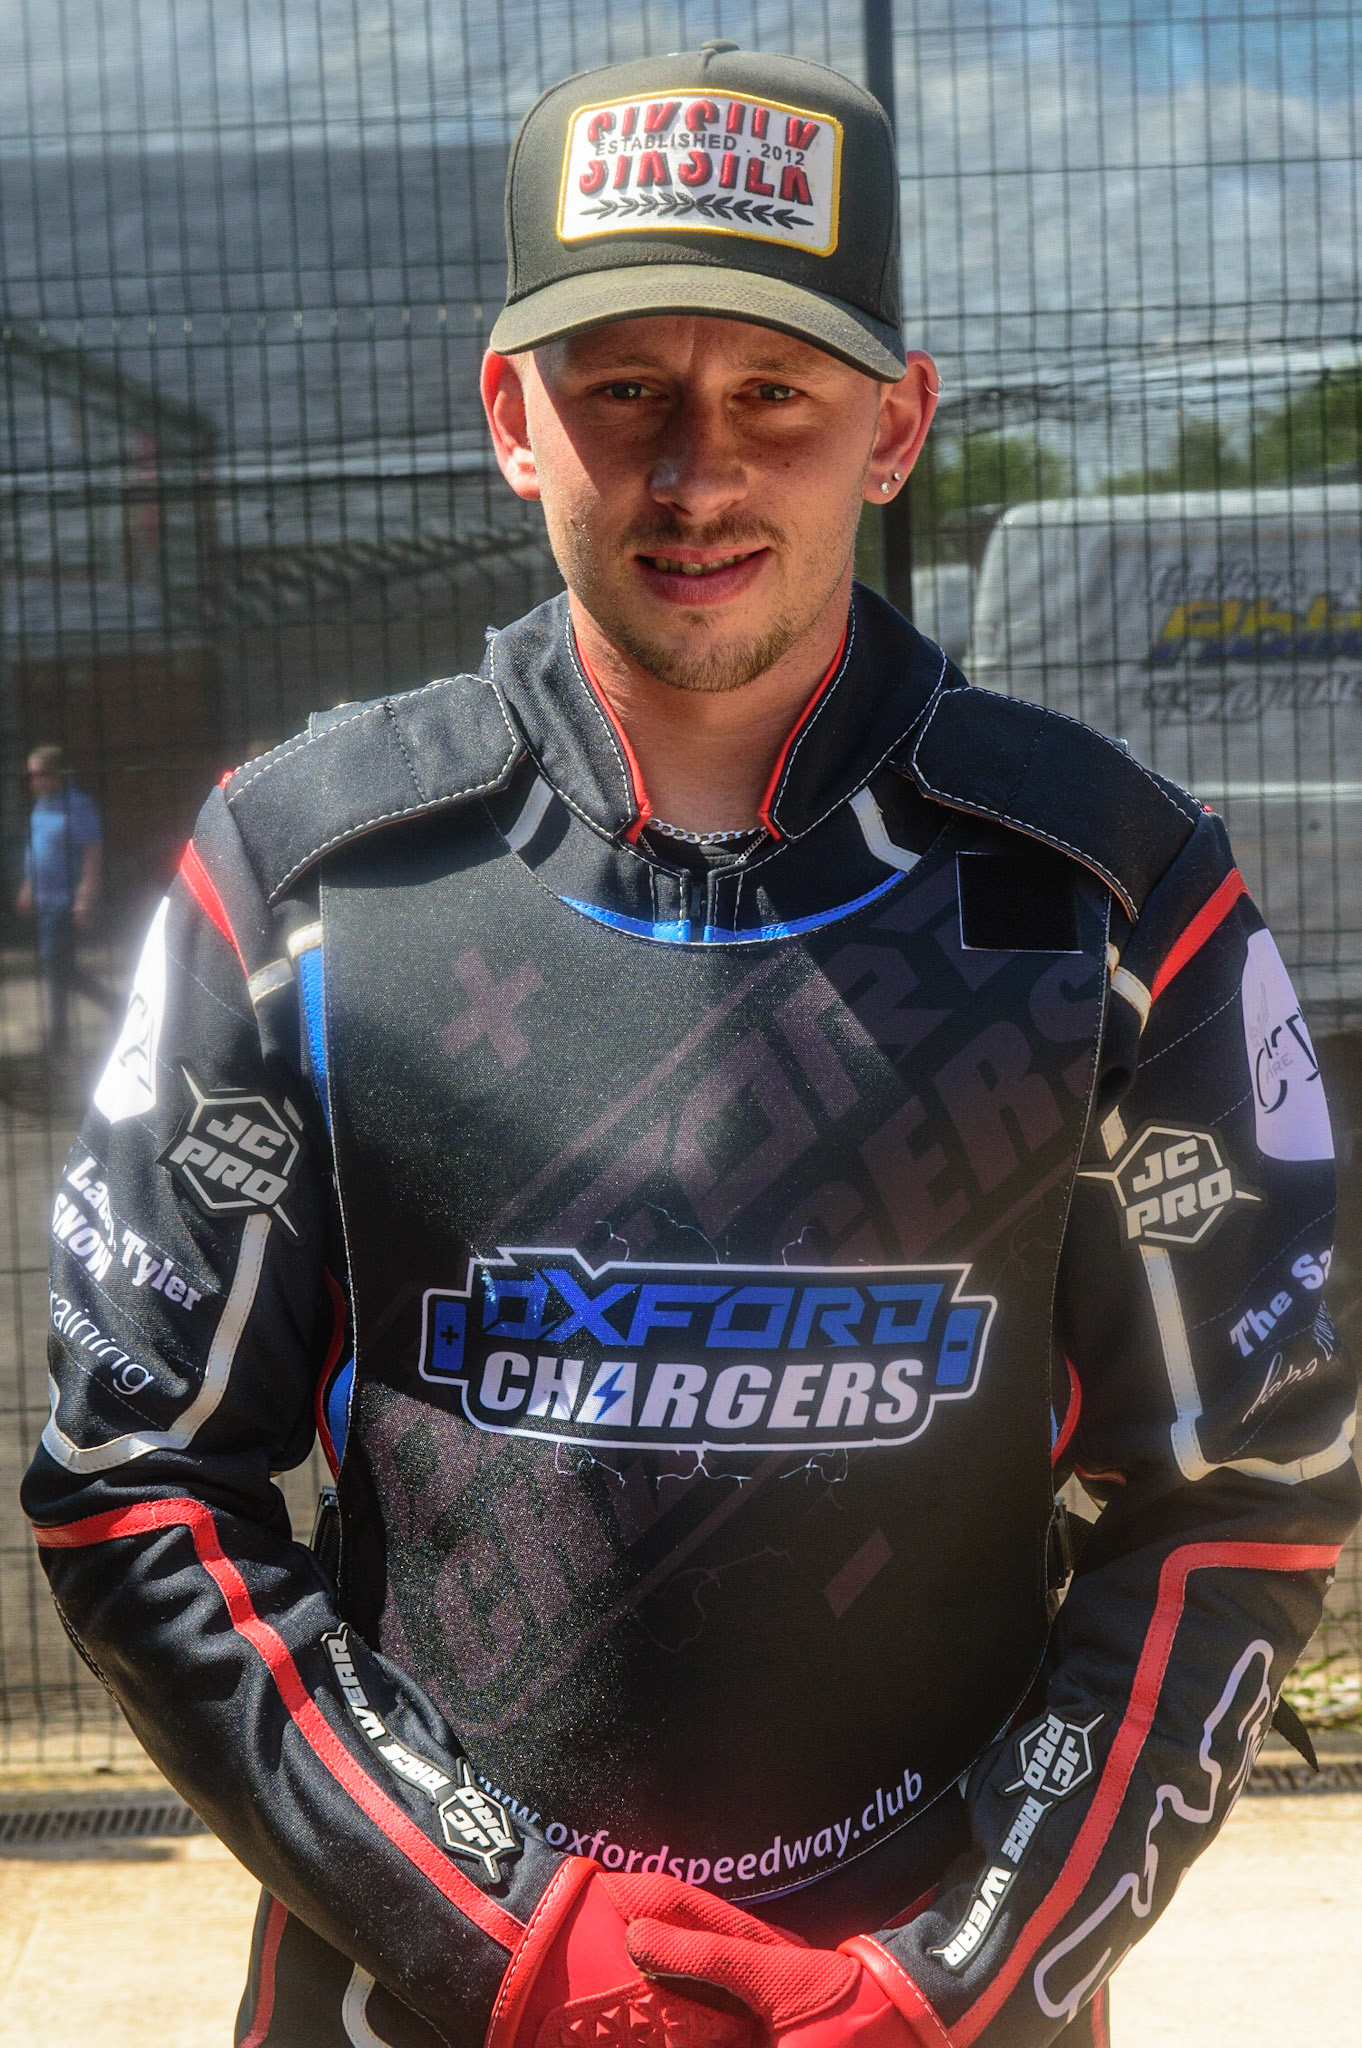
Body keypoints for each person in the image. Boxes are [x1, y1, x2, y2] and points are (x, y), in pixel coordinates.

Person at [22, 43, 1359, 2048]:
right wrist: (492, 1928)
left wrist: (961, 1971)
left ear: (894, 425)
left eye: (774, 395)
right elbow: (135, 1471)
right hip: (423, 2002)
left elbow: (1243, 1498)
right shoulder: (295, 873)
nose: (693, 468)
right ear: (508, 415)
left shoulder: (1119, 894)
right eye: (620, 385)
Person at [15, 743, 115, 1055]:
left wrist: (85, 896)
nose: (33, 782)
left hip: (65, 899)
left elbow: (91, 853)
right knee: (60, 968)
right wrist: (29, 885)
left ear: (56, 773)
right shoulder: (42, 806)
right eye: (30, 776)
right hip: (44, 899)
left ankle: (60, 1037)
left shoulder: (77, 805)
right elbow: (38, 849)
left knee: (55, 965)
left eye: (39, 774)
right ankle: (119, 1007)